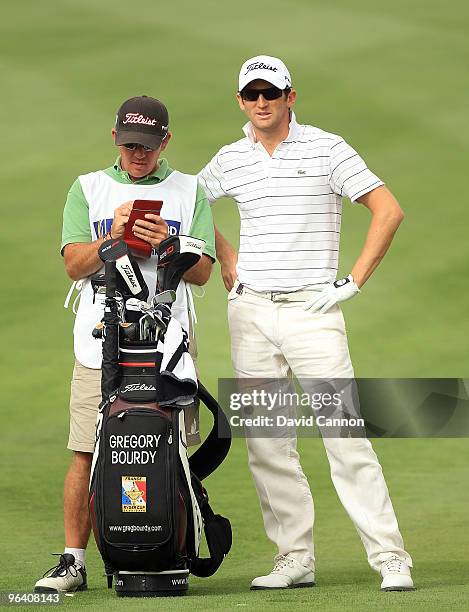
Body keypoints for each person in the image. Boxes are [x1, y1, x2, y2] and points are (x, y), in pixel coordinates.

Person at [198, 55, 414, 591]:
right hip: (249, 313)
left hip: (313, 314)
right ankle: (294, 558)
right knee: (267, 441)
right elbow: (190, 207)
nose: (262, 102)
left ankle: (390, 557)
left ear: (291, 96)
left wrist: (352, 282)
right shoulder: (230, 158)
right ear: (241, 102)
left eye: (272, 92)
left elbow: (388, 209)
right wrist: (225, 256)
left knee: (345, 436)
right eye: (252, 94)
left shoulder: (327, 148)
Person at [35, 95, 215, 593]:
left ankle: (166, 549)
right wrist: (109, 238)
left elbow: (202, 273)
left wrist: (165, 244)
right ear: (115, 137)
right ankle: (74, 560)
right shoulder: (87, 188)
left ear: (166, 142)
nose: (140, 154)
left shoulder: (189, 190)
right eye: (132, 144)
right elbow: (74, 264)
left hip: (169, 344)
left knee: (170, 447)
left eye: (149, 145)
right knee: (85, 450)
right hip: (99, 343)